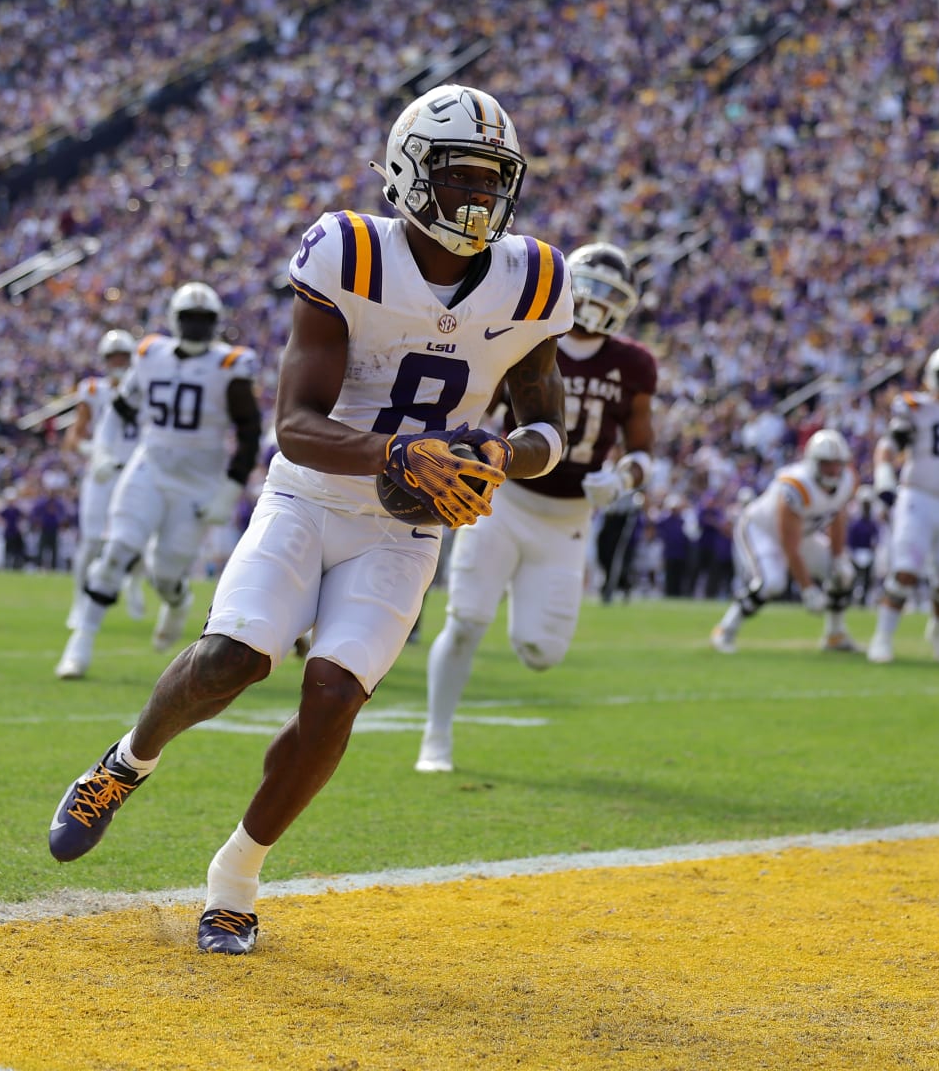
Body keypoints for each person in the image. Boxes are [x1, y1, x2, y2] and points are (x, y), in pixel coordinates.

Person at [45, 84, 571, 955]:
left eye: (492, 179)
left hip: (406, 527)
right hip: (311, 491)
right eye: (459, 176)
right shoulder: (351, 253)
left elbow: (549, 430)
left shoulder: (535, 278)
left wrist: (497, 459)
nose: (479, 198)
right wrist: (396, 455)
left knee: (332, 699)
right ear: (408, 173)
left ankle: (236, 878)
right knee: (232, 658)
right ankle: (124, 764)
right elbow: (294, 422)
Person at [416, 241, 655, 774]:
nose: (596, 303)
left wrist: (622, 479)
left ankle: (517, 604)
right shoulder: (533, 335)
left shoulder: (634, 364)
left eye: (610, 295)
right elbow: (480, 408)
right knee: (467, 620)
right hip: (503, 500)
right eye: (592, 289)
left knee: (540, 651)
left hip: (568, 521)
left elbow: (643, 448)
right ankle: (436, 738)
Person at [54, 284, 262, 679]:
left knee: (164, 574)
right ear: (174, 320)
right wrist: (103, 450)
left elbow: (249, 432)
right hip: (149, 468)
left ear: (215, 324)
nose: (196, 327)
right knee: (114, 552)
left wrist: (229, 490)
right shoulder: (151, 355)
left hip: (198, 483)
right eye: (189, 319)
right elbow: (118, 410)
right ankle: (79, 645)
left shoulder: (230, 365)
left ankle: (178, 598)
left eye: (203, 320)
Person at [867, 345, 939, 664]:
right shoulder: (914, 406)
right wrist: (883, 476)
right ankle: (882, 636)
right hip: (918, 496)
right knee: (906, 569)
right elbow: (890, 444)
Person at [710, 429, 858, 654]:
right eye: (827, 463)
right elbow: (790, 545)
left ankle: (835, 635)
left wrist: (837, 557)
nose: (833, 470)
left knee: (843, 572)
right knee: (771, 583)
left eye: (837, 463)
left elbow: (837, 519)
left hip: (803, 534)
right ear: (812, 462)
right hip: (762, 530)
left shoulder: (847, 480)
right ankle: (726, 629)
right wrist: (808, 589)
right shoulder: (796, 486)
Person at [61, 329, 143, 645]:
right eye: (114, 357)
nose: (119, 363)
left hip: (136, 473)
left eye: (124, 356)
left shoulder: (145, 387)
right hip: (103, 474)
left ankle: (134, 587)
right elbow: (74, 435)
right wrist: (93, 453)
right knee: (92, 541)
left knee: (138, 541)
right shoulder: (92, 389)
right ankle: (79, 603)